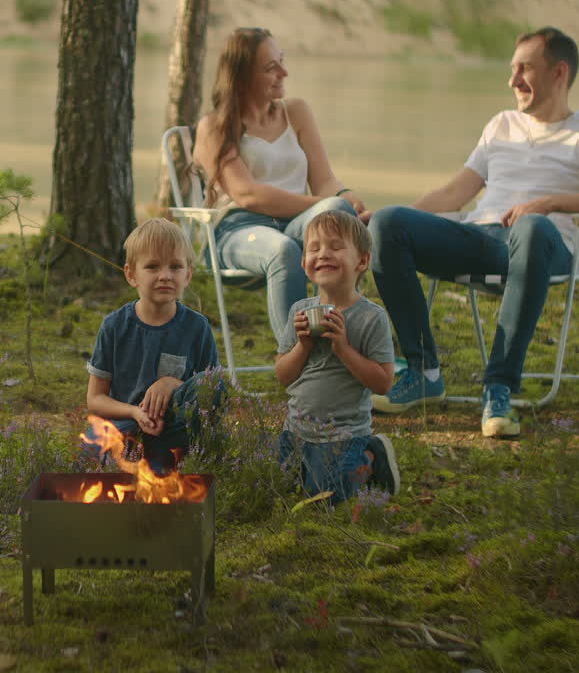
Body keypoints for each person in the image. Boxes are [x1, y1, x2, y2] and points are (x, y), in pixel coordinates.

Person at [363, 27, 579, 438]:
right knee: (388, 223)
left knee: (532, 226)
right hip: (483, 239)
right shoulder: (501, 125)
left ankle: (499, 386)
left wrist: (548, 203)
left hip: (545, 245)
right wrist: (389, 217)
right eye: (512, 69)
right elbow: (455, 193)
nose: (513, 81)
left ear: (559, 72)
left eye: (525, 69)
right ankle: (424, 372)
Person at [192, 27, 365, 341]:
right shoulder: (214, 127)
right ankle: (297, 356)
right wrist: (323, 206)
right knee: (285, 248)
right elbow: (248, 195)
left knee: (340, 212)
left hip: (296, 226)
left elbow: (324, 181)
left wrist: (345, 197)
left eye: (282, 61)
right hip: (237, 231)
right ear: (241, 78)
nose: (284, 72)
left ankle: (349, 338)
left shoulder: (296, 112)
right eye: (272, 67)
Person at [274, 209, 399, 501]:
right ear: (304, 262)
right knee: (278, 489)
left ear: (362, 261)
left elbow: (383, 383)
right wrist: (303, 346)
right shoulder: (299, 311)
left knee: (326, 497)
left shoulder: (371, 317)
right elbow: (283, 376)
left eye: (336, 247)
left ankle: (371, 457)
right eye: (314, 248)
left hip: (344, 434)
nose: (323, 254)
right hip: (296, 430)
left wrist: (343, 348)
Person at [85, 218, 225, 474]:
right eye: (152, 266)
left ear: (188, 274)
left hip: (174, 430)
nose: (165, 276)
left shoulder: (197, 327)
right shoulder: (114, 326)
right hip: (126, 425)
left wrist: (173, 384)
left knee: (198, 430)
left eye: (175, 267)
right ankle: (143, 463)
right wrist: (134, 412)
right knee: (91, 448)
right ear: (131, 274)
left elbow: (212, 390)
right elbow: (95, 399)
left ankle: (169, 463)